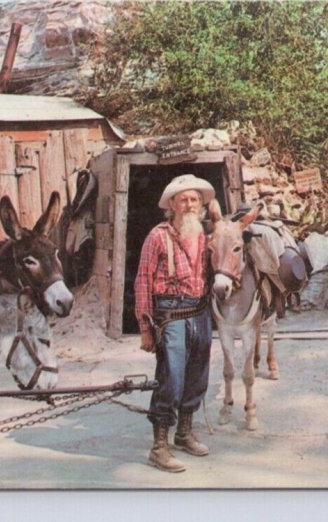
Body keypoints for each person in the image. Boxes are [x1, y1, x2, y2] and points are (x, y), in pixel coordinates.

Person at [134, 174, 215, 473]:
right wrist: (145, 326)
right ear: (172, 204)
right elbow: (142, 280)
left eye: (194, 199)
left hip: (200, 312)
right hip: (170, 314)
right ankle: (159, 447)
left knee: (197, 377)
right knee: (171, 378)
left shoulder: (207, 234)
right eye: (184, 200)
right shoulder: (158, 236)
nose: (190, 204)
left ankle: (184, 433)